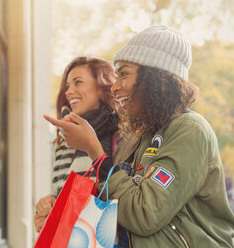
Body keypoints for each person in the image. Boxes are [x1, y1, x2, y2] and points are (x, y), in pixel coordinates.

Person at [44, 26, 234, 247]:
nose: (114, 87)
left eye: (123, 74)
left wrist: (95, 153)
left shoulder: (189, 129)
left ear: (155, 79)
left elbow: (145, 214)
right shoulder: (147, 136)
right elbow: (119, 203)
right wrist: (54, 207)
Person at [34, 56, 135, 237]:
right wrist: (48, 205)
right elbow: (65, 193)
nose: (69, 91)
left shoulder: (122, 134)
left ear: (102, 87)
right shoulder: (65, 138)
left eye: (78, 83)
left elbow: (122, 195)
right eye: (67, 86)